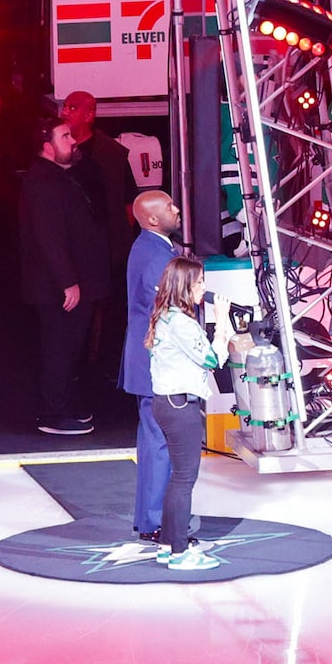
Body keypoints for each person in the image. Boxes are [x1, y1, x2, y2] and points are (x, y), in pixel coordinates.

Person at [20, 114, 112, 436]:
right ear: (47, 147)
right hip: (59, 288)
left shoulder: (57, 178)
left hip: (70, 284)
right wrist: (67, 282)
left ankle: (61, 406)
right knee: (59, 348)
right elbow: (50, 237)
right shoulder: (43, 182)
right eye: (65, 137)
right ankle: (52, 413)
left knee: (68, 348)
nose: (73, 141)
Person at [142, 254, 232, 567]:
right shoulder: (181, 323)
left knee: (177, 478)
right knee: (184, 479)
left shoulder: (166, 315)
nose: (204, 287)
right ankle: (180, 553)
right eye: (200, 282)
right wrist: (222, 324)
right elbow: (211, 360)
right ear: (185, 286)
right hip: (179, 406)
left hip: (167, 403)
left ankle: (168, 544)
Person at [121, 189, 183, 545]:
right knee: (159, 442)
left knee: (153, 441)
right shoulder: (155, 255)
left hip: (148, 361)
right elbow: (170, 308)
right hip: (156, 362)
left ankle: (149, 518)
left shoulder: (152, 247)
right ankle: (155, 521)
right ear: (153, 219)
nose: (177, 210)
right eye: (171, 207)